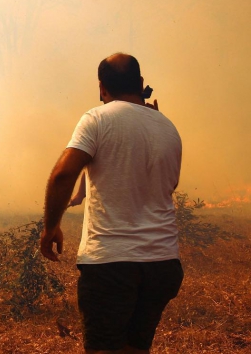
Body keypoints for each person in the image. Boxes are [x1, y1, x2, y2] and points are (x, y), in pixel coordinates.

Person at [40, 53, 183, 353]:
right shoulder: (168, 127)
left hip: (112, 263)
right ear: (141, 83)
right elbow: (169, 186)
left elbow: (64, 174)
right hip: (162, 265)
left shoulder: (96, 118)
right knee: (135, 348)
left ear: (102, 88)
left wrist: (50, 227)